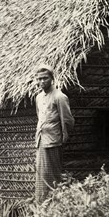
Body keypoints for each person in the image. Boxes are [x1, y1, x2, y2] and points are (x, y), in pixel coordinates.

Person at [34, 65, 74, 203]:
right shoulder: (39, 97)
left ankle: (57, 203)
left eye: (45, 78)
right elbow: (40, 117)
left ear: (52, 79)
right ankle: (42, 203)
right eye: (39, 79)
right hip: (41, 140)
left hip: (53, 141)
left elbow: (67, 120)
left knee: (54, 174)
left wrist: (63, 137)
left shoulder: (60, 97)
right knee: (41, 174)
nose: (42, 81)